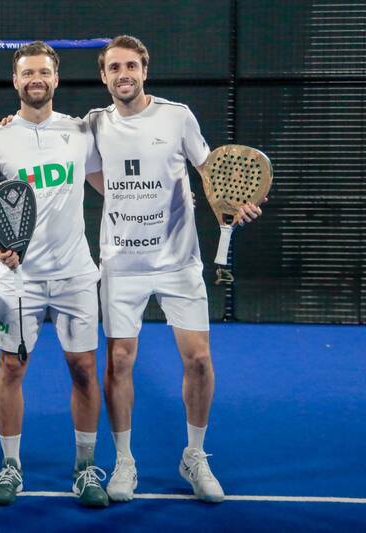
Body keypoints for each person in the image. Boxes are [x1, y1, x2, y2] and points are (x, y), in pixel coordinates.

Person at [85, 35, 263, 503]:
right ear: (104, 76)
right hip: (122, 265)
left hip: (178, 262)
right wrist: (125, 202)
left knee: (199, 360)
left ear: (145, 70)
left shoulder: (177, 115)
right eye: (114, 67)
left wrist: (233, 206)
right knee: (120, 360)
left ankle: (195, 456)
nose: (123, 74)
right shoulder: (93, 124)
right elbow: (88, 171)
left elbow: (211, 173)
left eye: (131, 66)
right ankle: (124, 461)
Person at [0, 41, 109, 507]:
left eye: (44, 72)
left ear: (55, 78)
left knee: (85, 369)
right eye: (27, 72)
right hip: (18, 281)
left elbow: (110, 187)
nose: (36, 79)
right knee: (11, 368)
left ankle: (86, 467)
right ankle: (10, 465)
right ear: (15, 80)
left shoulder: (80, 132)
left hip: (74, 275)